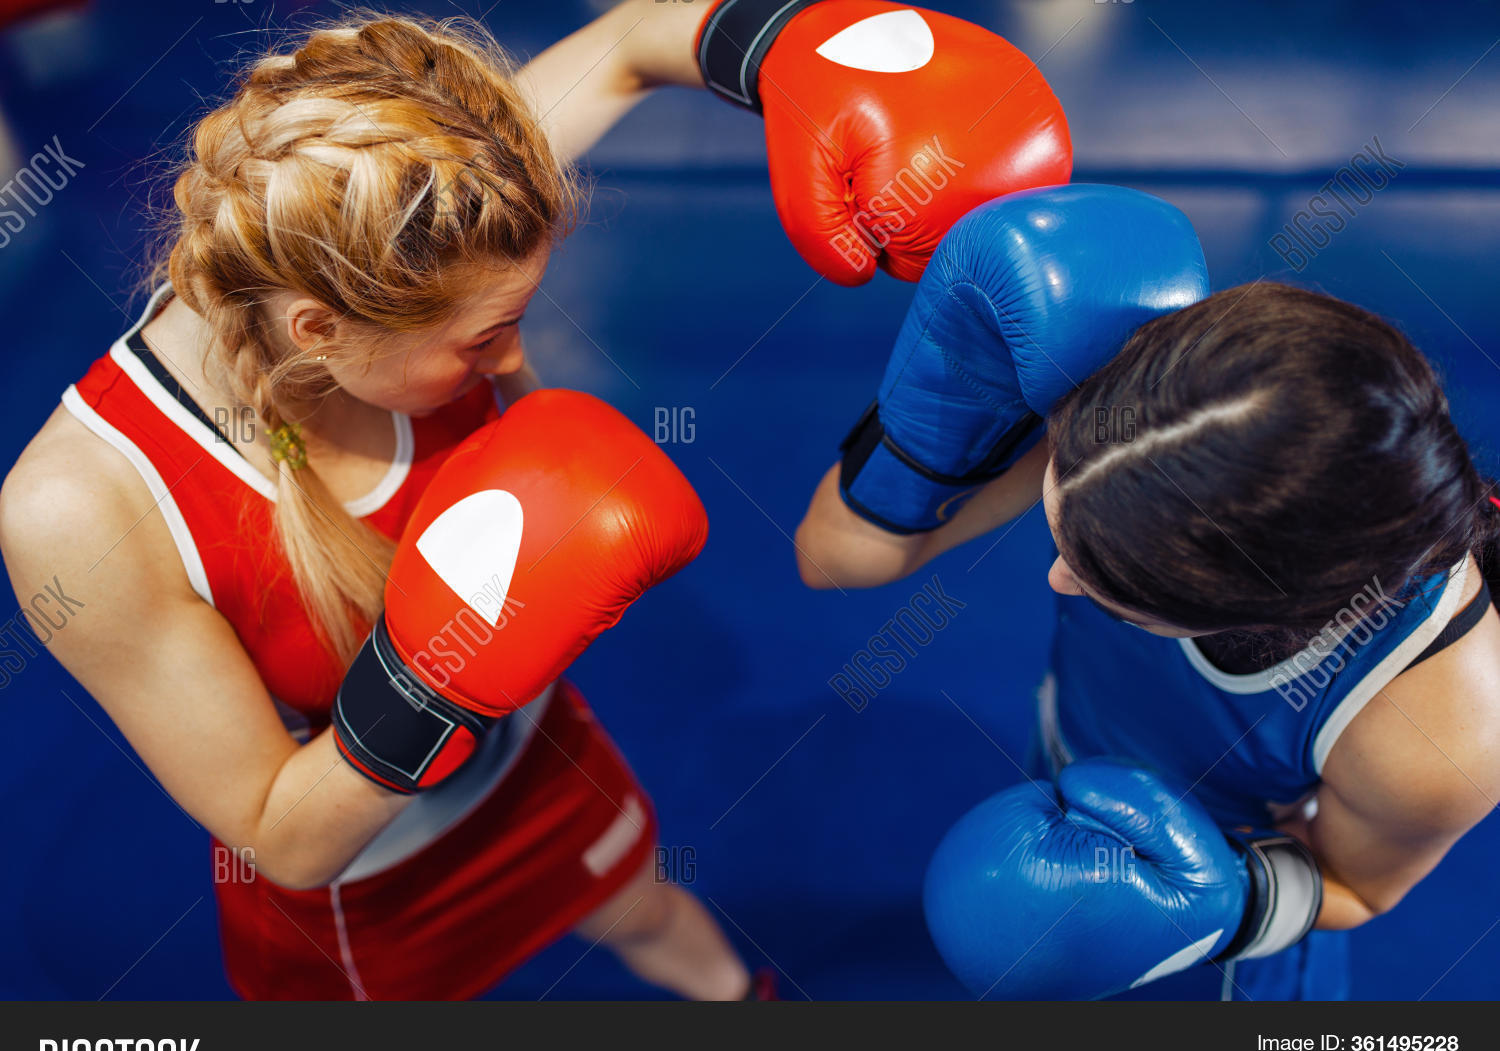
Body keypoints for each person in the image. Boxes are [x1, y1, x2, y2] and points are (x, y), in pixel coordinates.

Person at [0, 2, 1066, 999]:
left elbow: (634, 38)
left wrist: (787, 45)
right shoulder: (83, 504)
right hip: (364, 887)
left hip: (539, 755)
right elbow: (279, 830)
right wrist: (441, 667)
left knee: (642, 902)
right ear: (319, 331)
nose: (516, 357)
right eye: (478, 341)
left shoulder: (422, 197)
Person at [795, 183, 1500, 999]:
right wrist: (936, 410)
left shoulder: (1440, 730)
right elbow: (835, 557)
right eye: (1064, 538)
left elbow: (1360, 885)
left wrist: (1227, 906)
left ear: (1249, 610)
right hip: (1067, 743)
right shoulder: (1135, 417)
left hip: (1226, 929)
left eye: (1109, 588)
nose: (1058, 578)